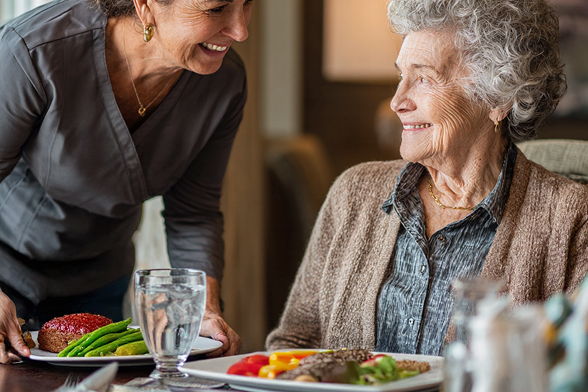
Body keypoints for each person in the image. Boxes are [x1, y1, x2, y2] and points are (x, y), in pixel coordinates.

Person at [266, 0, 588, 356]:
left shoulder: (571, 218)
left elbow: (573, 369)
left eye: (423, 78)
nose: (397, 100)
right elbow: (293, 345)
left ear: (499, 97)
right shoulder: (353, 192)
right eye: (400, 76)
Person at [0, 0, 253, 364]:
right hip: (8, 271)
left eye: (248, 4)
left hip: (101, 277)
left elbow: (194, 214)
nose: (240, 30)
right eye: (215, 9)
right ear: (146, 6)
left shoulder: (224, 82)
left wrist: (204, 310)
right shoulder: (31, 53)